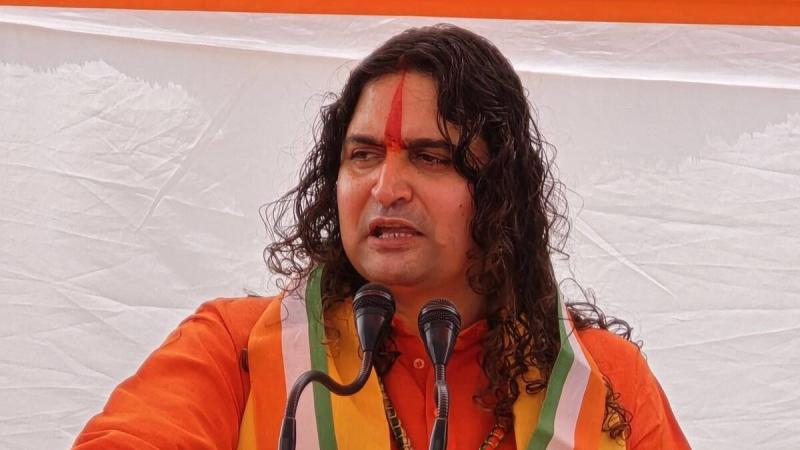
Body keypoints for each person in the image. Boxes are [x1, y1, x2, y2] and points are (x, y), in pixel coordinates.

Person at [73, 24, 689, 450]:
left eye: (431, 157)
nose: (386, 187)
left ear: (501, 191)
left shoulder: (605, 379)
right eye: (363, 155)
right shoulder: (233, 347)